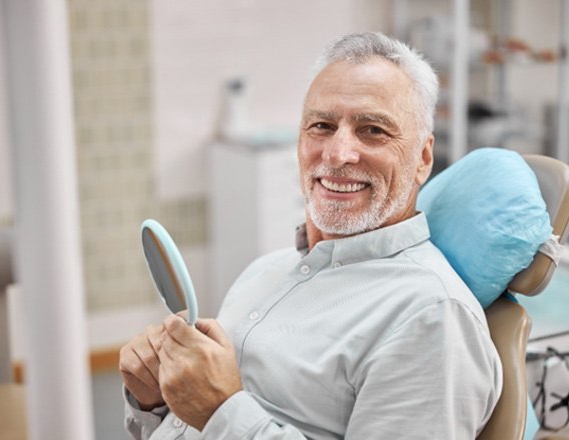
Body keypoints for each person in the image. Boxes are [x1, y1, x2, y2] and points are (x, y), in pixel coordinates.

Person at [119, 32, 502, 439]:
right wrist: (155, 402)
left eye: (373, 130)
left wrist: (222, 412)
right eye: (321, 125)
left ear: (423, 158)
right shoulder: (264, 271)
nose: (337, 154)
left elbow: (217, 416)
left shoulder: (430, 317)